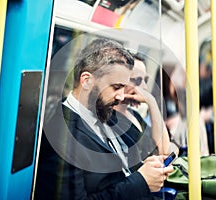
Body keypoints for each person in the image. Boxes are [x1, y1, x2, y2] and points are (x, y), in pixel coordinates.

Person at [34, 38, 173, 199]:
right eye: (116, 87)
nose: (121, 96)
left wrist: (148, 168)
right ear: (86, 81)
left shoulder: (108, 115)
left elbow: (141, 157)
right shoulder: (62, 135)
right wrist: (141, 182)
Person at [111, 53, 178, 161]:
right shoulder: (111, 119)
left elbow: (166, 148)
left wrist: (152, 103)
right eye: (137, 80)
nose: (144, 87)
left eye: (145, 80)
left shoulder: (135, 115)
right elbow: (164, 150)